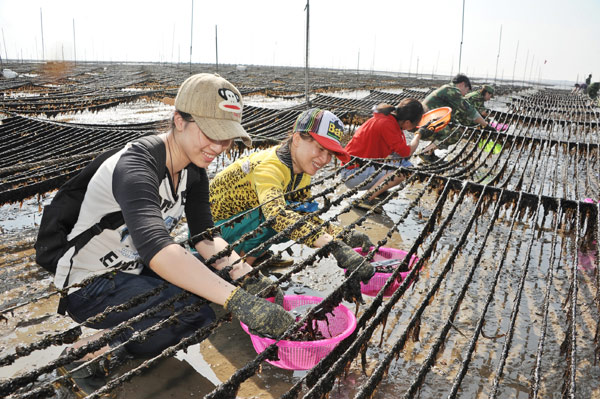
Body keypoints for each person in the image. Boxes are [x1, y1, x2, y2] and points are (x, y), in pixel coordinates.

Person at [50, 73, 294, 396]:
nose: (219, 147)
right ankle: (91, 349)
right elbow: (159, 250)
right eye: (211, 133)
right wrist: (238, 300)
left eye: (228, 138)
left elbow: (206, 238)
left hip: (132, 268)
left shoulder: (194, 171)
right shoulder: (136, 166)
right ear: (178, 120)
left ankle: (127, 338)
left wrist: (249, 278)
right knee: (190, 310)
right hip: (88, 281)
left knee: (202, 310)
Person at [209, 108, 375, 303]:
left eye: (330, 154)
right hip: (212, 233)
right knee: (276, 219)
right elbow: (277, 215)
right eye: (320, 149)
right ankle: (232, 272)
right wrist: (333, 246)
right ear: (297, 139)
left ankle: (248, 262)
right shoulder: (269, 167)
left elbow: (305, 215)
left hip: (243, 222)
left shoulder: (301, 171)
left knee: (293, 216)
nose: (325, 160)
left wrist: (344, 236)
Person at [342, 98, 425, 210]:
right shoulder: (388, 124)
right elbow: (408, 152)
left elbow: (401, 153)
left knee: (405, 164)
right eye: (415, 124)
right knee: (404, 172)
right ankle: (365, 199)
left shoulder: (389, 119)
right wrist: (418, 134)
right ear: (407, 122)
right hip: (351, 174)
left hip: (357, 167)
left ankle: (378, 190)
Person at [419, 74, 494, 163]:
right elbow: (470, 110)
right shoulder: (452, 90)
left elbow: (451, 116)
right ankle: (425, 153)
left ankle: (429, 152)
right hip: (424, 124)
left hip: (426, 122)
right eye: (467, 89)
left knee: (456, 129)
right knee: (456, 133)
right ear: (462, 84)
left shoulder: (448, 89)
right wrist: (485, 125)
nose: (466, 93)